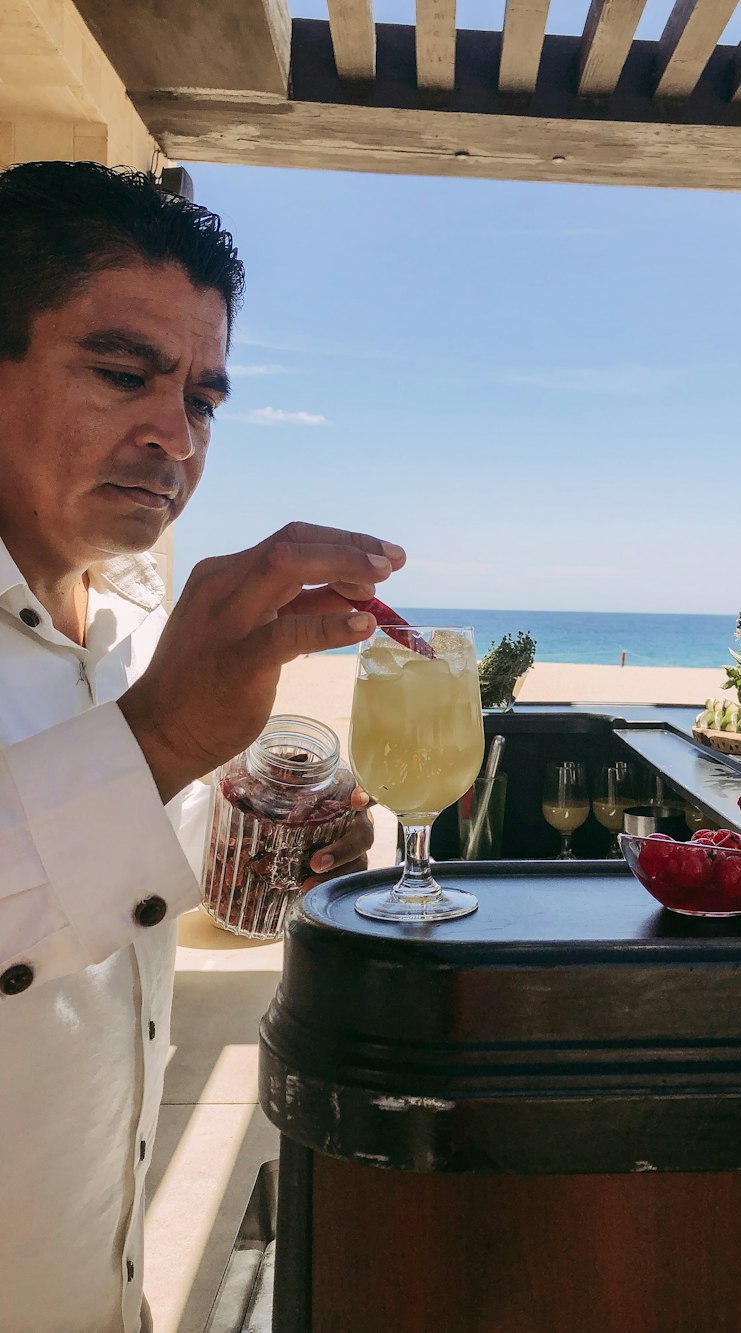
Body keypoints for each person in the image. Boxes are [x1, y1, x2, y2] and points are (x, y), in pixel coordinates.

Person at [0, 160, 404, 1333]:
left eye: (206, 399)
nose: (173, 433)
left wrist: (281, 834)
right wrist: (165, 732)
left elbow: (109, 899)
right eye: (123, 372)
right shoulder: (151, 683)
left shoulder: (130, 632)